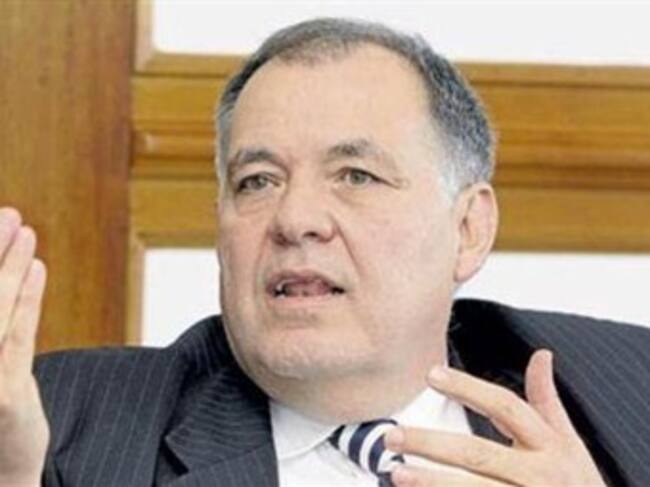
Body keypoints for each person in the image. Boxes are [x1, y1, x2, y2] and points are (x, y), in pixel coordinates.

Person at [1, 17, 649, 487]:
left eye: (355, 176)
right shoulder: (54, 428)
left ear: (469, 229)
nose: (295, 220)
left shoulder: (628, 401)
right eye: (258, 181)